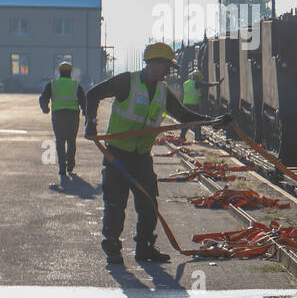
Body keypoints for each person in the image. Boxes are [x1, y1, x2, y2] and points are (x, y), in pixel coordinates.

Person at [84, 42, 231, 266]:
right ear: (154, 63)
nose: (169, 71)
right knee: (115, 205)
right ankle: (113, 247)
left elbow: (183, 114)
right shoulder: (126, 82)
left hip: (141, 157)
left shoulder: (163, 93)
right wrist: (91, 124)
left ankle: (145, 248)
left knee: (149, 204)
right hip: (117, 156)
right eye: (166, 66)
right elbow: (93, 94)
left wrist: (213, 122)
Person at [38, 62, 86, 180]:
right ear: (71, 72)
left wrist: (45, 108)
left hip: (58, 115)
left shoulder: (53, 84)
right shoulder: (76, 85)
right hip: (73, 115)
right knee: (71, 140)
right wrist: (85, 112)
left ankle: (62, 169)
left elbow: (43, 97)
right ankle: (70, 165)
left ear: (59, 72)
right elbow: (83, 100)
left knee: (60, 141)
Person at [180, 69, 221, 142]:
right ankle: (197, 138)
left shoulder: (185, 83)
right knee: (197, 121)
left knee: (186, 122)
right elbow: (206, 85)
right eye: (199, 78)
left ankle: (182, 137)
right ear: (197, 77)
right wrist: (217, 83)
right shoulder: (196, 83)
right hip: (194, 105)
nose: (199, 79)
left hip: (186, 104)